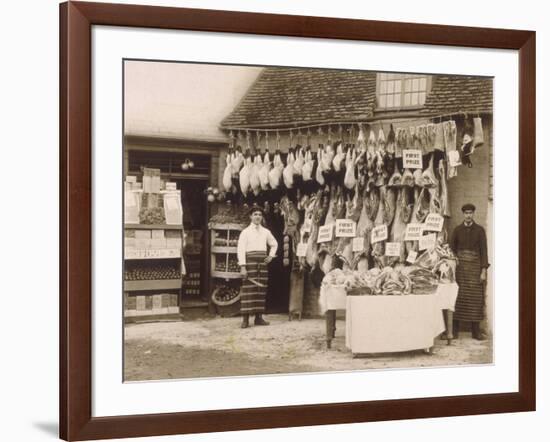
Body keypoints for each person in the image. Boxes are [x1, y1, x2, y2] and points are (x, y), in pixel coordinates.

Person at [450, 203, 490, 340]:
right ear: (463, 214)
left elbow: (484, 251)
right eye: (466, 213)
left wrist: (483, 270)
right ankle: (454, 331)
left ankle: (476, 332)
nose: (468, 215)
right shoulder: (457, 230)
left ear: (473, 214)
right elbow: (451, 251)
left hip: (475, 268)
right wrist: (452, 267)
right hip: (460, 269)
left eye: (470, 213)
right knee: (458, 297)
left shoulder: (480, 231)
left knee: (475, 299)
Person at [237, 207, 278, 329]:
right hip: (249, 264)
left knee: (261, 290)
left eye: (260, 214)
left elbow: (274, 244)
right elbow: (240, 250)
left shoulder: (266, 231)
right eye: (255, 214)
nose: (258, 217)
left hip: (262, 264)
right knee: (248, 290)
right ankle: (245, 319)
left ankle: (258, 318)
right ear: (250, 216)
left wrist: (270, 256)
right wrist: (243, 267)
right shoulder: (245, 232)